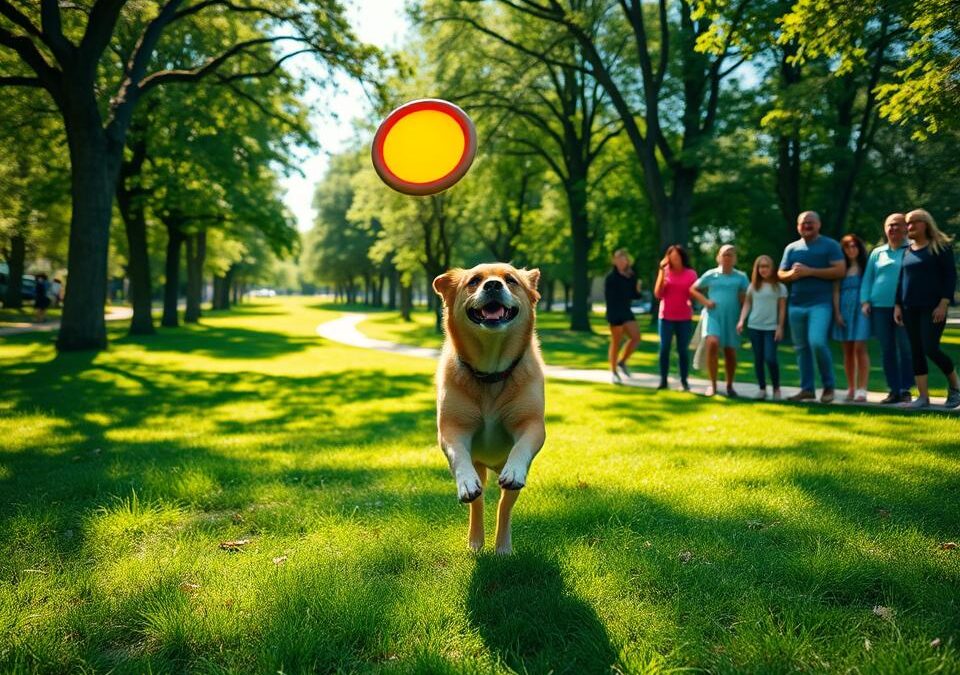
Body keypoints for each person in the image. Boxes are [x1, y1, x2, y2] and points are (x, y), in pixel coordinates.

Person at [894, 208, 960, 409]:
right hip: (909, 307)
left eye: (913, 222)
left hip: (933, 307)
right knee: (916, 350)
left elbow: (950, 277)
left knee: (930, 348)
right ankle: (923, 397)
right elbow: (901, 280)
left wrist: (943, 303)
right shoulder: (907, 250)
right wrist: (897, 305)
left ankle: (955, 388)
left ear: (926, 224)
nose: (909, 226)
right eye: (908, 223)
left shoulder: (940, 247)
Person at [778, 211, 846, 403]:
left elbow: (840, 270)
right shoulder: (792, 248)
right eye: (803, 223)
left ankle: (828, 387)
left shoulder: (830, 245)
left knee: (817, 342)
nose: (806, 226)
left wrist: (810, 271)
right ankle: (807, 389)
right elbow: (780, 274)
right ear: (798, 226)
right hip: (796, 304)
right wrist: (792, 274)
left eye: (810, 222)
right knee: (801, 348)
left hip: (821, 304)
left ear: (819, 224)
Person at [860, 214, 913, 403]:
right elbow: (868, 278)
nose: (893, 229)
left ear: (906, 228)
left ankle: (906, 389)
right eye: (890, 225)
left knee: (906, 348)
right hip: (879, 308)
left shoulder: (912, 250)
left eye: (898, 225)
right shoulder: (878, 252)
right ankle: (894, 390)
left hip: (904, 308)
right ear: (885, 229)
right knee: (887, 349)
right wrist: (865, 301)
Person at [690, 244, 749, 397]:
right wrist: (706, 302)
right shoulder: (711, 274)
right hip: (713, 316)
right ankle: (713, 385)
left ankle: (729, 385)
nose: (727, 257)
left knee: (730, 352)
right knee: (713, 343)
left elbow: (746, 299)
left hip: (732, 318)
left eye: (730, 254)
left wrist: (743, 319)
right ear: (718, 257)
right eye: (724, 254)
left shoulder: (741, 277)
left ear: (735, 258)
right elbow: (693, 289)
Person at [737, 255, 787, 400]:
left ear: (772, 268)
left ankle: (776, 388)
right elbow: (747, 304)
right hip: (754, 326)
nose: (763, 269)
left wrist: (780, 327)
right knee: (758, 359)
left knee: (770, 358)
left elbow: (782, 309)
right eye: (760, 266)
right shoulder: (753, 287)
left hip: (771, 328)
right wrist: (741, 320)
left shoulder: (780, 288)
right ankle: (762, 389)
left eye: (766, 266)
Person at [832, 234, 871, 402]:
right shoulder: (841, 268)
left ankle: (862, 388)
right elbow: (836, 292)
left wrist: (867, 302)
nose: (851, 249)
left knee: (859, 347)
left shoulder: (866, 266)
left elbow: (870, 286)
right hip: (844, 311)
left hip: (862, 310)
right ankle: (851, 387)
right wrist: (837, 313)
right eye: (847, 246)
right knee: (847, 350)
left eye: (854, 245)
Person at [653, 244, 697, 391]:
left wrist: (692, 299)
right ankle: (663, 380)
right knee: (664, 348)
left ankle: (684, 381)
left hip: (684, 317)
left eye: (677, 258)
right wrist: (661, 272)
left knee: (682, 350)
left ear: (682, 258)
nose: (674, 261)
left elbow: (694, 294)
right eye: (671, 258)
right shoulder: (665, 272)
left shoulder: (690, 274)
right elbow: (658, 294)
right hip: (666, 317)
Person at [604, 249, 642, 384]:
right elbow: (609, 299)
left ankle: (622, 362)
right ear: (614, 261)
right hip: (615, 313)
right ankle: (614, 371)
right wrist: (611, 316)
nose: (621, 261)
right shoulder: (611, 278)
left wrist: (637, 287)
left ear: (627, 261)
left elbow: (635, 296)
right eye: (618, 259)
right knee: (616, 342)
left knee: (636, 337)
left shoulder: (631, 276)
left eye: (623, 259)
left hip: (626, 311)